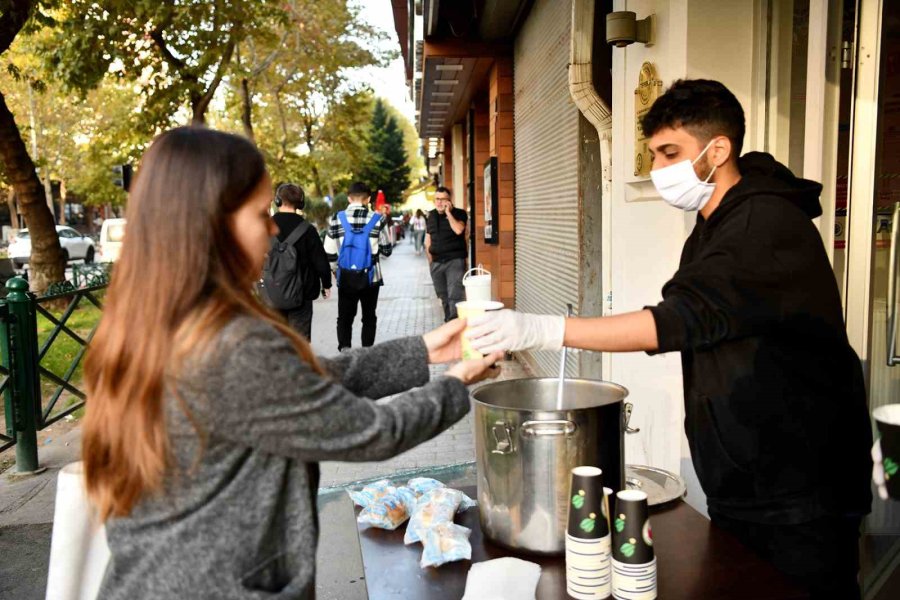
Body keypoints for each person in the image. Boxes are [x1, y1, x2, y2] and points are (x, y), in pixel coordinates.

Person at [468, 79, 873, 598]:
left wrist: (543, 328)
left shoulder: (763, 226)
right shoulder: (717, 221)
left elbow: (675, 321)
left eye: (670, 152)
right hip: (745, 477)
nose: (657, 169)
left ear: (717, 149)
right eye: (654, 153)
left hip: (799, 489)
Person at [81, 127, 502, 599]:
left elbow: (304, 386)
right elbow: (374, 431)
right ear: (210, 221)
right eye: (260, 213)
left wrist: (426, 350)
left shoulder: (161, 321)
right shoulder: (231, 341)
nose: (273, 227)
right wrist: (460, 377)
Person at [324, 182, 392, 351]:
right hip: (371, 278)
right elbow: (387, 250)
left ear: (349, 198)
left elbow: (329, 251)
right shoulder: (378, 219)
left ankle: (345, 351)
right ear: (368, 199)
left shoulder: (336, 218)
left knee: (345, 317)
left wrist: (335, 271)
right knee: (369, 317)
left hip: (346, 277)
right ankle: (366, 353)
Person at [267, 182, 331, 339]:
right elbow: (320, 260)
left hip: (270, 292)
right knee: (300, 342)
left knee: (276, 340)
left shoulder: (264, 227)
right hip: (302, 293)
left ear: (277, 201)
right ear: (301, 203)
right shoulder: (308, 229)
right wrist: (326, 284)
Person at [426, 187, 468, 321]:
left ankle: (454, 327)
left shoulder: (460, 213)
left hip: (454, 261)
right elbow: (428, 240)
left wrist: (448, 213)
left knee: (455, 296)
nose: (439, 202)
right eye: (437, 199)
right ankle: (449, 324)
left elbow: (458, 230)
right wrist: (430, 262)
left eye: (442, 199)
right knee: (443, 296)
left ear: (449, 201)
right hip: (436, 263)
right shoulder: (431, 215)